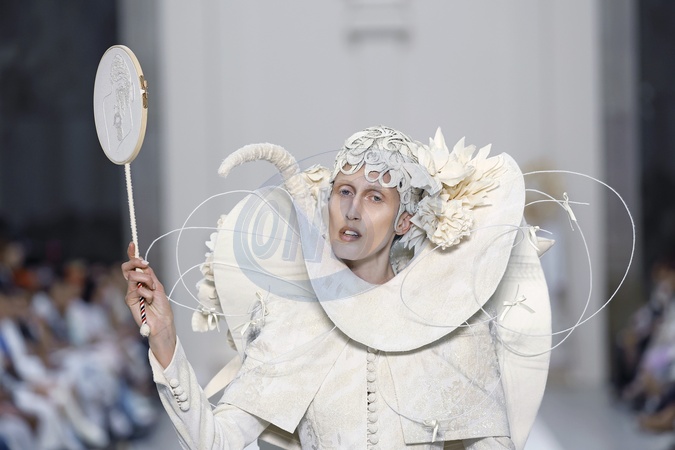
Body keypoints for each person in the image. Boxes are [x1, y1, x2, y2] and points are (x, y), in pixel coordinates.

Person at [122, 126, 553, 449]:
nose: (352, 210)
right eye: (344, 191)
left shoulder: (449, 326)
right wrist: (165, 340)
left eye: (375, 197)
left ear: (404, 221)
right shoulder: (294, 323)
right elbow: (214, 442)